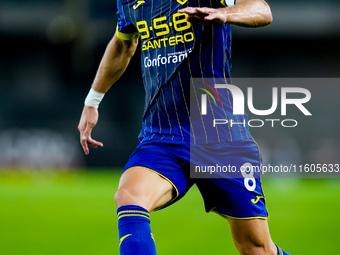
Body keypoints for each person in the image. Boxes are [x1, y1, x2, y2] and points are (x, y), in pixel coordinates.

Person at [78, 0, 290, 254]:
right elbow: (124, 43)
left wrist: (224, 14)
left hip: (220, 136)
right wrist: (92, 100)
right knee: (129, 197)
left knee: (256, 248)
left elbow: (262, 10)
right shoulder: (129, 1)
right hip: (162, 134)